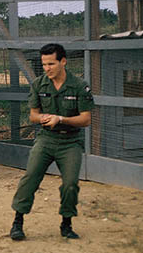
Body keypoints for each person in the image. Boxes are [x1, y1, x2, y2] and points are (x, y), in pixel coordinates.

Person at [9, 43, 94, 241]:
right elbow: (33, 115)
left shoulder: (80, 86)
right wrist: (42, 119)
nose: (47, 68)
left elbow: (86, 119)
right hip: (46, 139)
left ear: (63, 61)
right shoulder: (39, 84)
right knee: (30, 177)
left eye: (51, 64)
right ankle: (17, 222)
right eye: (44, 64)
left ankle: (66, 223)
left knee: (70, 184)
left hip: (70, 142)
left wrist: (61, 119)